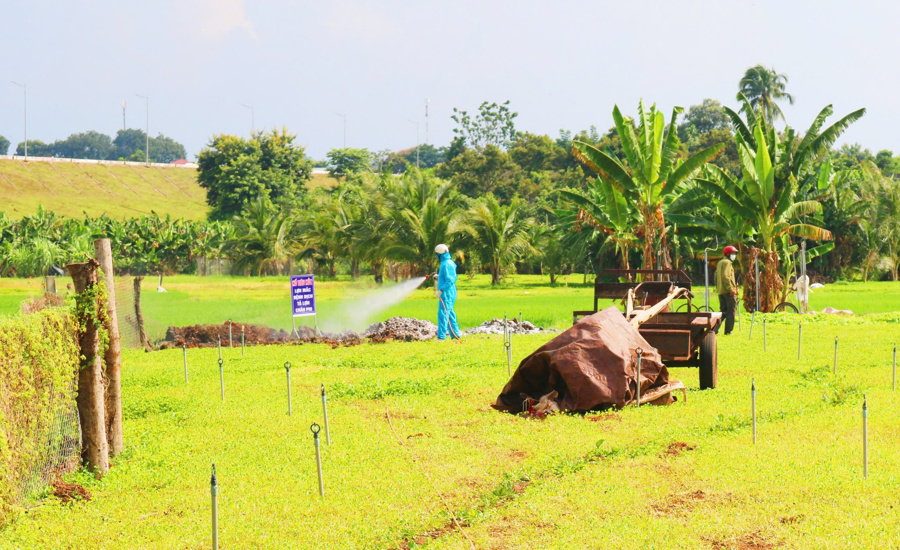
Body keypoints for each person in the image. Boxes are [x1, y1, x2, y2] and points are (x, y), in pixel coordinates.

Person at [434, 244, 461, 340]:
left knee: (443, 314)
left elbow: (450, 280)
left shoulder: (446, 264)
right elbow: (446, 277)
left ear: (439, 254)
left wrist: (441, 290)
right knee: (450, 313)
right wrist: (439, 277)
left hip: (447, 293)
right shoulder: (448, 262)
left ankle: (441, 337)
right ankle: (456, 335)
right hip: (449, 292)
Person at [715, 245, 739, 335]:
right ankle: (728, 331)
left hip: (721, 291)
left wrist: (719, 288)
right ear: (728, 254)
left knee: (723, 312)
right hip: (728, 292)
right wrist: (731, 289)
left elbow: (715, 276)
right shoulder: (727, 263)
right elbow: (726, 276)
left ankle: (714, 329)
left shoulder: (720, 262)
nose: (734, 255)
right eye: (733, 253)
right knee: (731, 311)